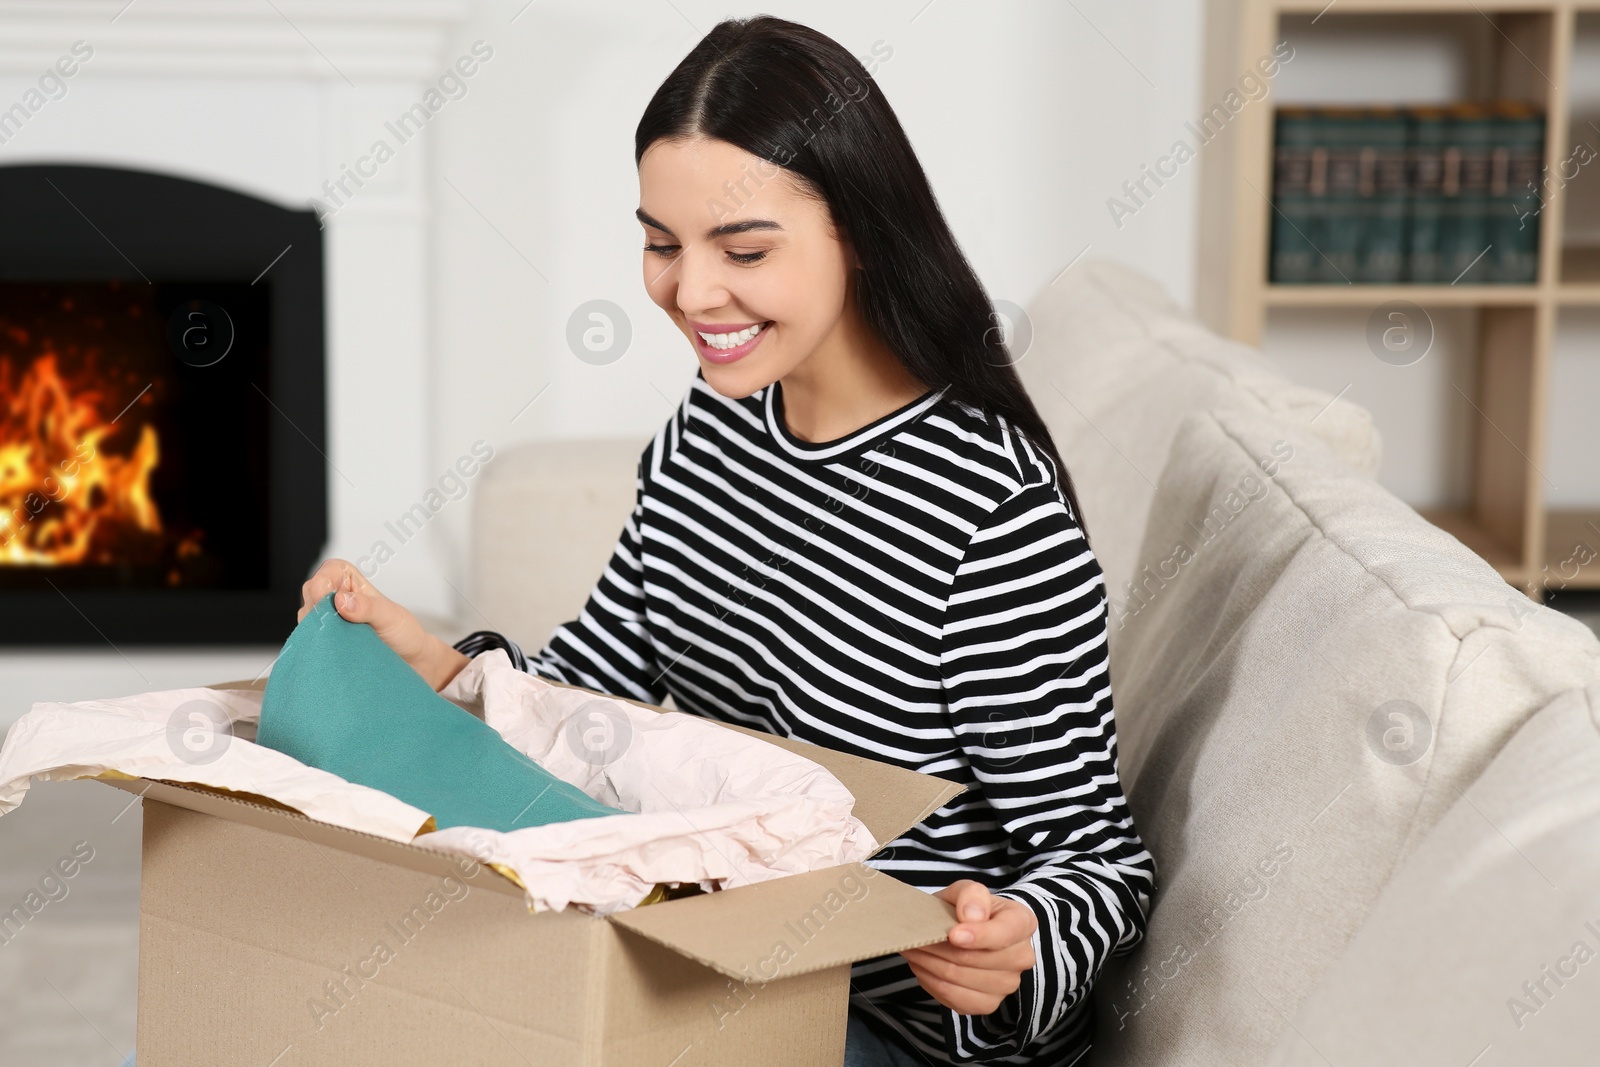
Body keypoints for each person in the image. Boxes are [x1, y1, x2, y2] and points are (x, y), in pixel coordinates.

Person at [299, 15, 1153, 1065]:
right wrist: (436, 667)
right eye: (661, 242)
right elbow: (596, 685)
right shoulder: (708, 432)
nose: (689, 292)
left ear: (862, 233)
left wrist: (1015, 939)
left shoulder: (990, 517)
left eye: (742, 248)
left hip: (885, 1025)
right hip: (705, 961)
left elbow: (1094, 857)